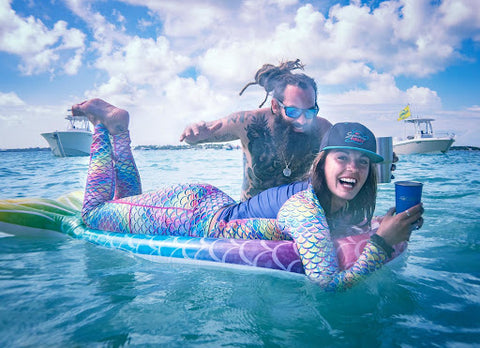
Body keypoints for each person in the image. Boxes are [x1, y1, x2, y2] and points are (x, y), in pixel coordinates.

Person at [73, 98, 423, 291]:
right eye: (342, 158)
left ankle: (119, 129)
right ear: (321, 163)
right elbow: (329, 285)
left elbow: (344, 230)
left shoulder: (336, 202)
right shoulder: (304, 208)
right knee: (94, 213)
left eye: (362, 162)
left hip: (209, 203)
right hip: (190, 214)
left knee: (121, 203)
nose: (353, 169)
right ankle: (103, 127)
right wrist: (380, 245)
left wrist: (390, 223)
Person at [179, 60, 332, 200]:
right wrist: (193, 132)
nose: (302, 120)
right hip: (251, 214)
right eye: (293, 112)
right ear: (275, 106)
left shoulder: (322, 130)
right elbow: (195, 137)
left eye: (310, 112)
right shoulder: (247, 122)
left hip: (294, 211)